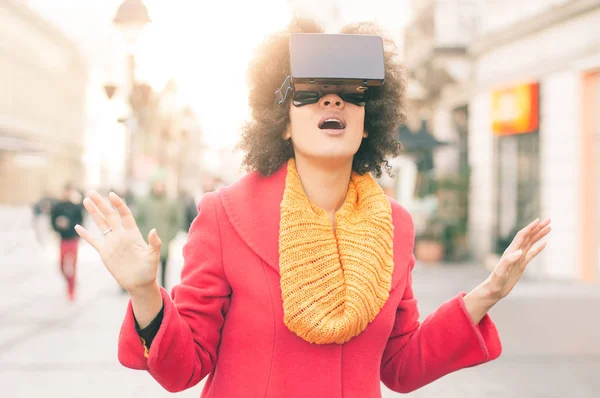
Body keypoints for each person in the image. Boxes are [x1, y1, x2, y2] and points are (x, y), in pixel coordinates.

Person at [74, 18, 551, 397]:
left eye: (352, 93)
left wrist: (485, 294)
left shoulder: (396, 226)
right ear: (282, 123)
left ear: (369, 124)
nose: (332, 100)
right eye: (311, 92)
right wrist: (144, 292)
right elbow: (185, 369)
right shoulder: (224, 216)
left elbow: (400, 365)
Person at [133, 175, 184, 288]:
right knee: (149, 269)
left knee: (164, 269)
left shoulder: (170, 203)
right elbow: (138, 221)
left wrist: (170, 236)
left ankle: (163, 290)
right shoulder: (144, 203)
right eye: (157, 185)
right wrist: (144, 235)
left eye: (161, 185)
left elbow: (176, 222)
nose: (159, 188)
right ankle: (150, 291)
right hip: (148, 242)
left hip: (164, 241)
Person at [51, 183, 84, 301]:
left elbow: (80, 222)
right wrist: (58, 225)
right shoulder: (57, 207)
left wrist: (69, 224)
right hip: (63, 240)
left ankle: (71, 290)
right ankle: (71, 282)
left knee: (73, 266)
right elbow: (52, 221)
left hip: (73, 239)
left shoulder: (76, 207)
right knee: (61, 266)